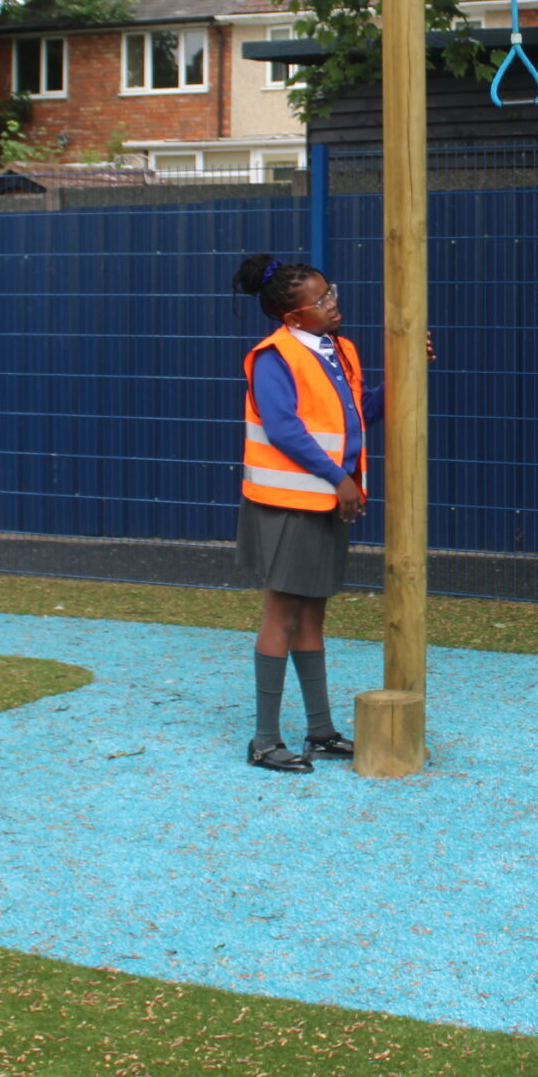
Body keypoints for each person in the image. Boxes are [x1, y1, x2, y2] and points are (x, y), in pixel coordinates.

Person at [233, 253, 381, 773]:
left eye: (331, 292)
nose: (333, 304)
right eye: (321, 300)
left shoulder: (340, 351)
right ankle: (265, 740)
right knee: (283, 615)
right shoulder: (274, 356)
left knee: (314, 614)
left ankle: (320, 730)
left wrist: (410, 371)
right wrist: (340, 480)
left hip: (323, 501)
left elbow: (357, 413)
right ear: (293, 317)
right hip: (287, 505)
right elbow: (284, 428)